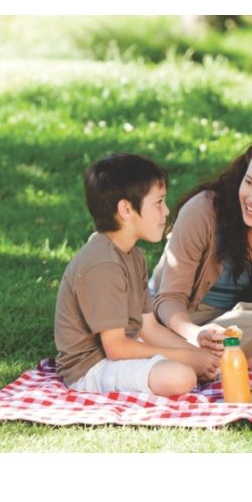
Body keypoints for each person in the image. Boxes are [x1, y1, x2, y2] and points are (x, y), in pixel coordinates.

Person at [54, 153, 219, 395]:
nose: (166, 211)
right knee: (180, 376)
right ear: (126, 209)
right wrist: (186, 358)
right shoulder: (102, 264)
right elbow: (116, 348)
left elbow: (149, 328)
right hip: (91, 367)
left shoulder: (134, 256)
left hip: (125, 350)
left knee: (208, 362)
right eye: (158, 202)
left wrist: (196, 354)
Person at [150, 133, 252, 366]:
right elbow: (168, 297)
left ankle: (190, 360)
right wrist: (194, 334)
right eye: (249, 183)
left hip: (234, 325)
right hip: (178, 318)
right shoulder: (203, 211)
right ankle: (219, 360)